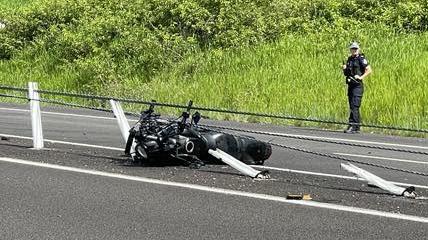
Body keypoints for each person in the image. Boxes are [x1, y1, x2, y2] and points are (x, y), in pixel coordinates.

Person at [342, 42, 372, 133]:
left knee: (355, 105)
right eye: (352, 49)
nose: (354, 50)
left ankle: (354, 126)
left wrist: (361, 77)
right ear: (350, 50)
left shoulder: (361, 59)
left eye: (355, 49)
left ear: (358, 49)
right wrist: (344, 68)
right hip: (351, 85)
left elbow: (369, 70)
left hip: (357, 86)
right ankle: (353, 125)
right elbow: (347, 73)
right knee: (351, 105)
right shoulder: (350, 59)